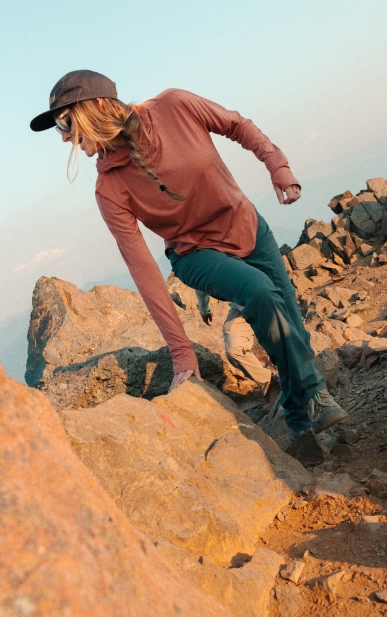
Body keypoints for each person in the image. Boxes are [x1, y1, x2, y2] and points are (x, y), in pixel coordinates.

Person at [30, 69, 347, 464]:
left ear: (97, 106)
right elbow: (143, 270)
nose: (64, 137)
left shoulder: (175, 105)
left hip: (247, 227)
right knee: (259, 292)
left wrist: (277, 166)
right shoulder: (109, 189)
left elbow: (236, 124)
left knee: (291, 328)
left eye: (65, 122)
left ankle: (300, 426)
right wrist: (182, 353)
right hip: (194, 255)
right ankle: (315, 392)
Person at [195, 290, 275, 395]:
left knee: (284, 347)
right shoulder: (199, 275)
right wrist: (204, 309)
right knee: (234, 350)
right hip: (240, 309)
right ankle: (269, 381)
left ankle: (288, 390)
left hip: (268, 303)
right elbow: (200, 285)